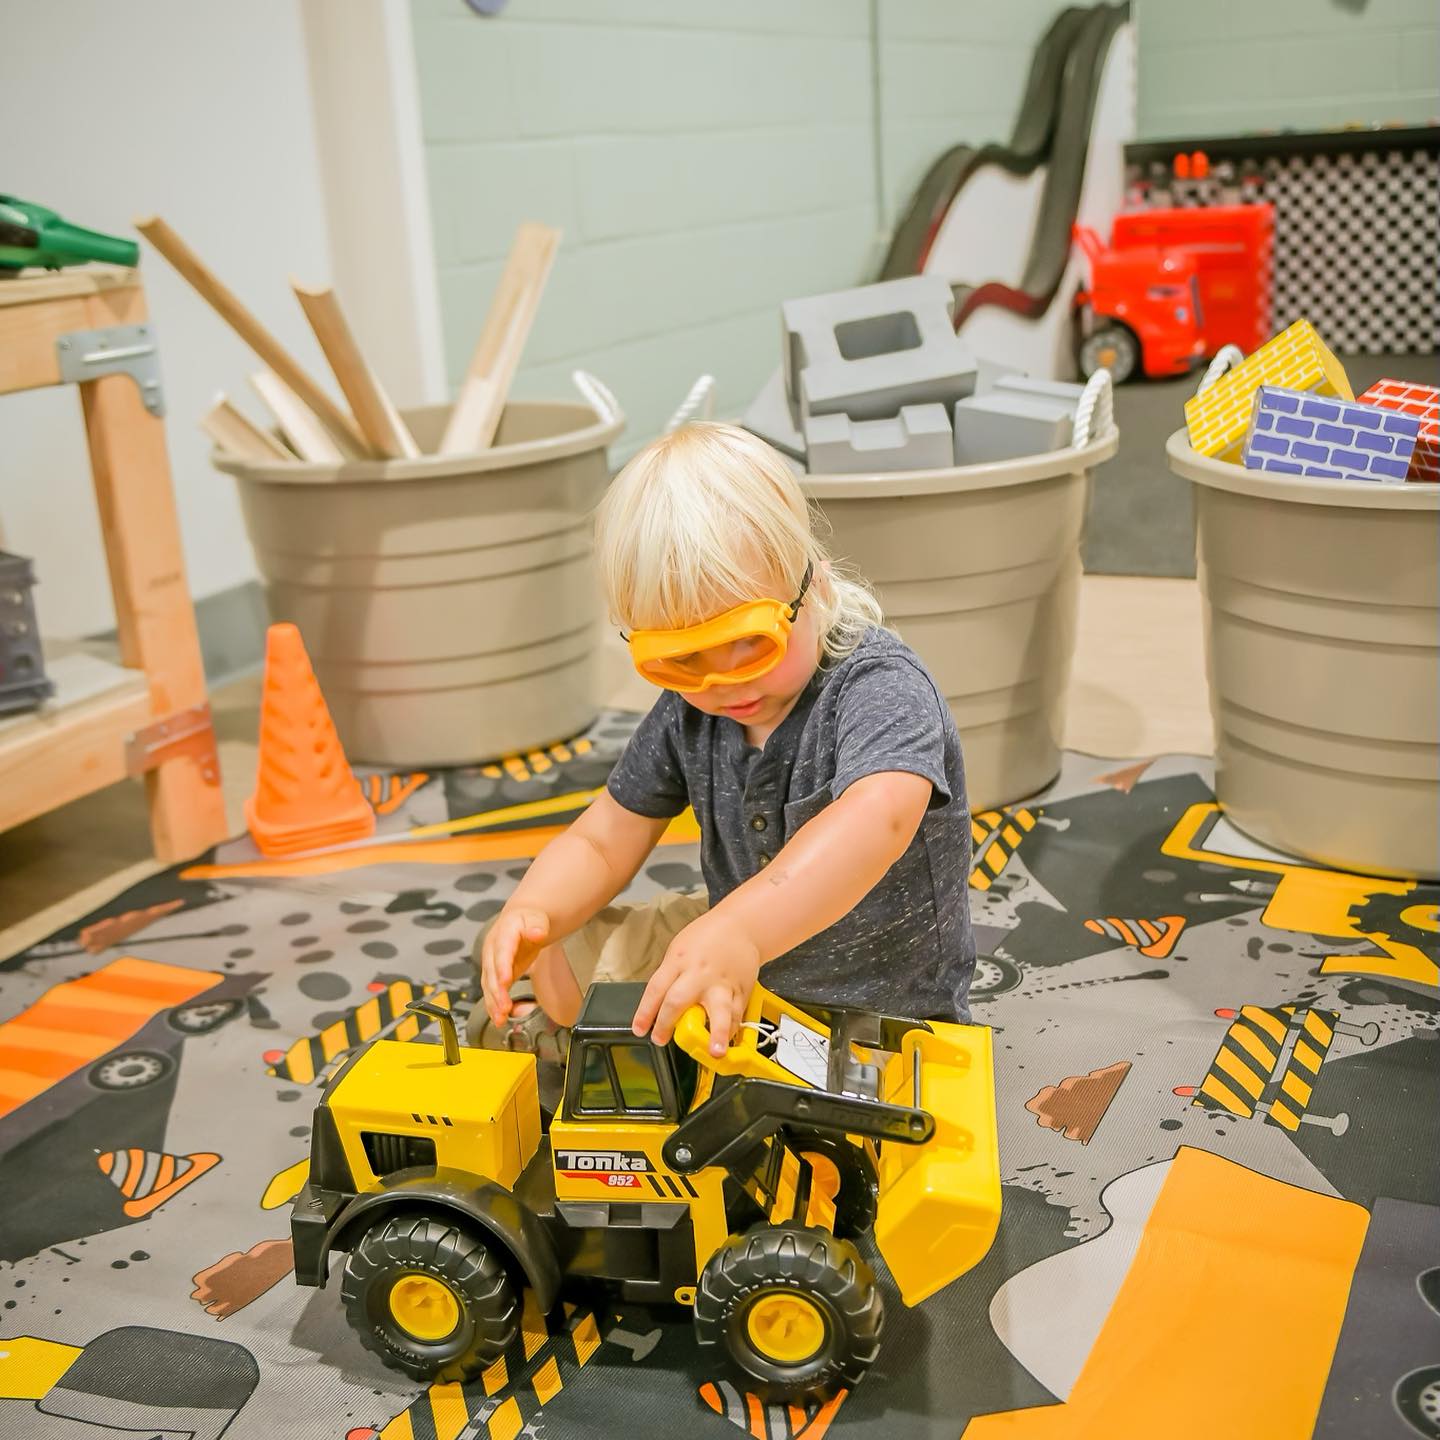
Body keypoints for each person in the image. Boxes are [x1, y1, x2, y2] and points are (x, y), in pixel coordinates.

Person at [472, 421, 975, 1061]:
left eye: (751, 643)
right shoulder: (691, 709)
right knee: (553, 954)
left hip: (874, 1009)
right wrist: (536, 909)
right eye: (680, 660)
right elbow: (603, 840)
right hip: (730, 947)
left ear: (813, 585)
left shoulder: (878, 687)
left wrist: (740, 928)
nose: (723, 680)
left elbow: (879, 818)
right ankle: (542, 976)